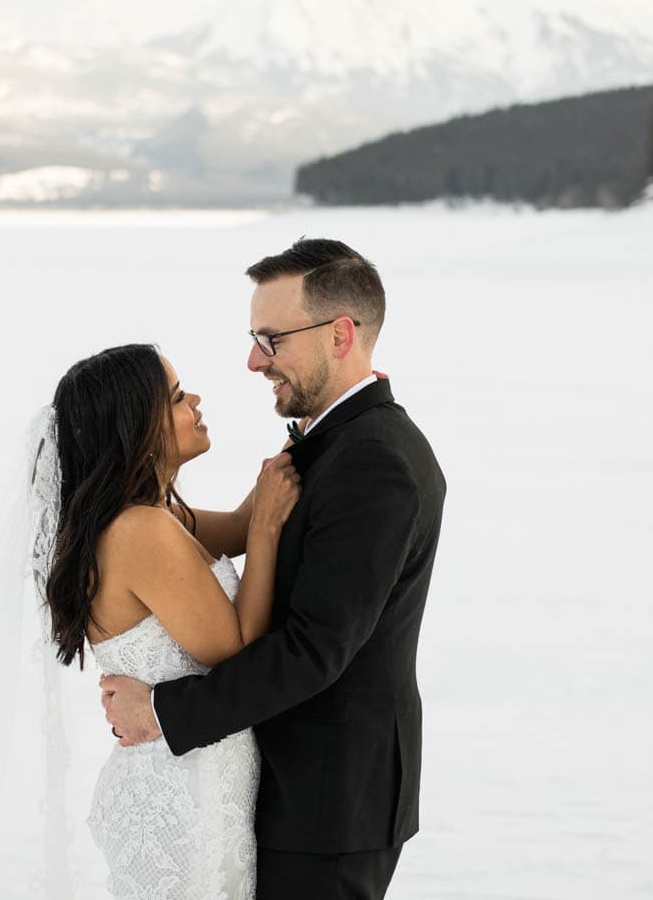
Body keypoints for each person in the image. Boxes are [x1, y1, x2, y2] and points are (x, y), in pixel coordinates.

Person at [102, 239, 447, 900]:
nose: (254, 360)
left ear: (340, 334)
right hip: (294, 794)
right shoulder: (331, 444)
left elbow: (314, 650)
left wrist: (163, 714)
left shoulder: (376, 462)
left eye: (271, 339)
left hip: (330, 804)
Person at [45, 343, 302, 899]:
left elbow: (236, 524)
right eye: (177, 396)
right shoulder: (141, 531)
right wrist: (267, 535)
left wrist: (309, 428)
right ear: (137, 426)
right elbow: (235, 650)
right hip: (186, 794)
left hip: (183, 777)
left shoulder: (152, 517)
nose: (196, 400)